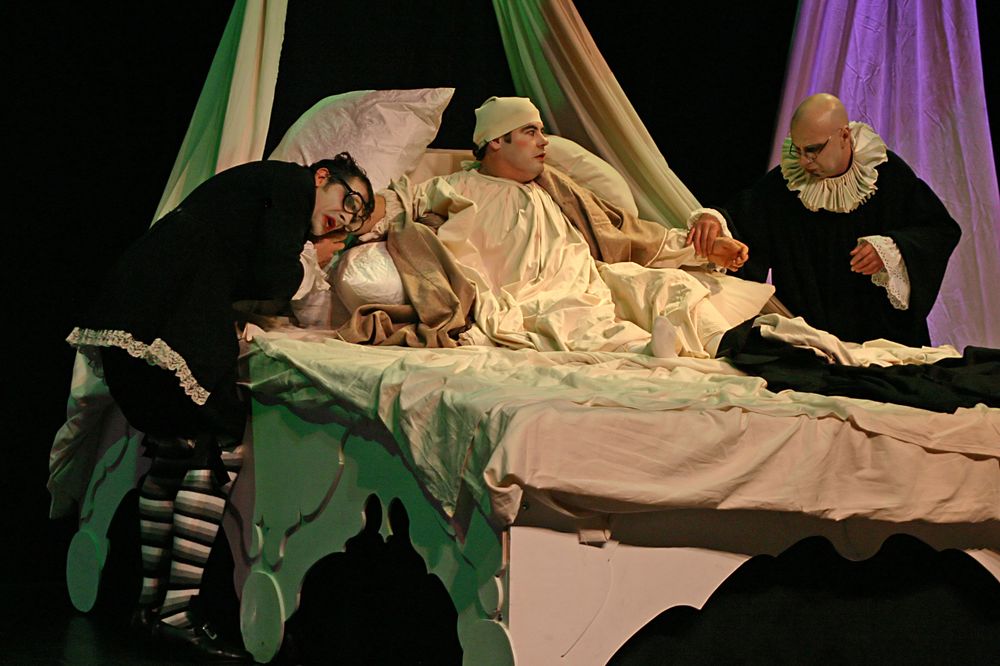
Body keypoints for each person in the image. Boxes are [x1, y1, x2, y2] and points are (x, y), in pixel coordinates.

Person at [66, 152, 375, 659]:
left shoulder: (261, 192)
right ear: (322, 176)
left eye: (356, 217)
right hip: (166, 315)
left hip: (136, 307)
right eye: (350, 200)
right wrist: (312, 261)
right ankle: (176, 610)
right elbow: (271, 278)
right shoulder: (290, 185)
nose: (345, 217)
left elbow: (247, 272)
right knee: (220, 443)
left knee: (175, 450)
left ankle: (151, 606)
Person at [355, 96, 750, 358]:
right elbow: (393, 205)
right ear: (496, 141)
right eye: (531, 132)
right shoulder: (456, 186)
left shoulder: (555, 186)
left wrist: (702, 248)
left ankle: (733, 347)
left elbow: (625, 231)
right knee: (567, 316)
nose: (544, 141)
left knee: (668, 285)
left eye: (541, 131)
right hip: (529, 295)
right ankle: (643, 353)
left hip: (590, 280)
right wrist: (344, 215)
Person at [686, 93, 960, 347]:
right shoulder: (789, 182)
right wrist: (714, 221)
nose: (805, 161)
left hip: (884, 338)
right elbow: (743, 219)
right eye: (798, 150)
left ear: (844, 136)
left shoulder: (885, 174)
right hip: (812, 339)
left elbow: (937, 230)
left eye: (813, 150)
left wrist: (891, 250)